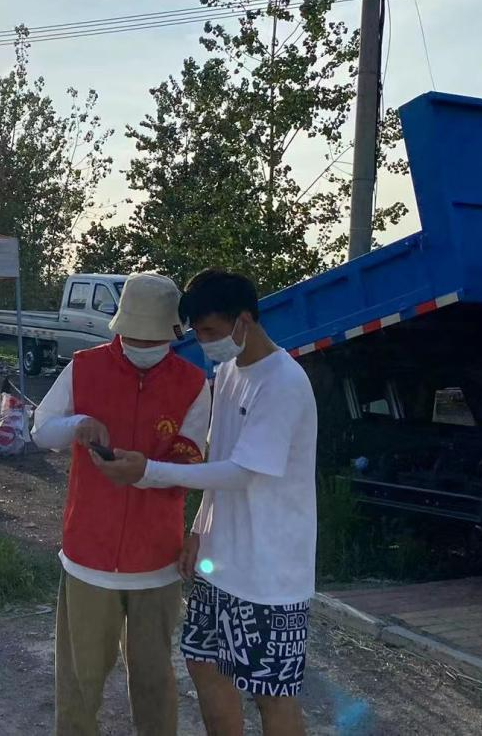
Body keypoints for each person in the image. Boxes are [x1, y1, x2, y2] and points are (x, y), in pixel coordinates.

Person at [94, 269, 317, 736]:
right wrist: (198, 530)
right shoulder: (230, 372)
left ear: (244, 321)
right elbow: (218, 457)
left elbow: (242, 472)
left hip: (268, 575)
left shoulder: (282, 383)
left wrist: (149, 472)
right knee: (204, 665)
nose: (206, 342)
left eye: (212, 331)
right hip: (221, 564)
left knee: (272, 693)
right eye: (198, 332)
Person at [32, 272, 211, 736]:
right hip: (88, 557)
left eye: (151, 338)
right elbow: (41, 430)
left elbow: (191, 464)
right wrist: (78, 424)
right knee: (80, 685)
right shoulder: (84, 367)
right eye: (133, 335)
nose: (141, 345)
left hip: (157, 561)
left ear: (172, 333)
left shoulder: (194, 384)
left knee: (154, 681)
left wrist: (143, 472)